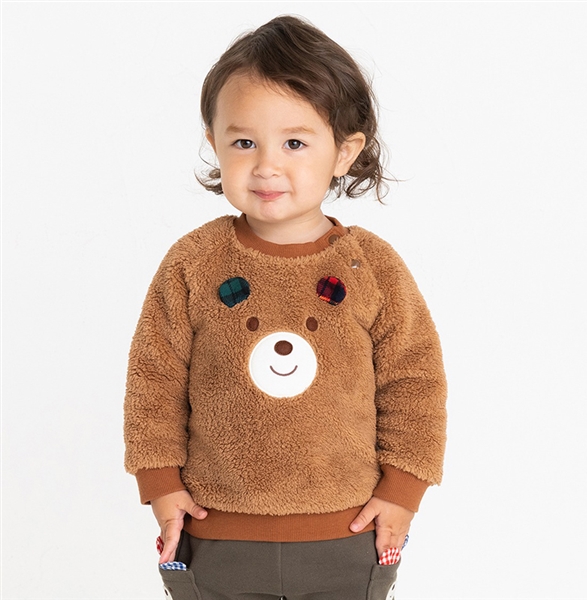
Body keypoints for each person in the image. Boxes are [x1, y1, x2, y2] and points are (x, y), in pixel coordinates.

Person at [124, 15, 447, 600]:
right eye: (244, 142)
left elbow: (415, 382)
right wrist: (161, 483)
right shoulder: (193, 262)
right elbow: (154, 377)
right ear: (213, 140)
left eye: (294, 143)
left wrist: (402, 491)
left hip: (347, 532)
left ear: (345, 151)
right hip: (215, 530)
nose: (267, 165)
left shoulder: (372, 267)